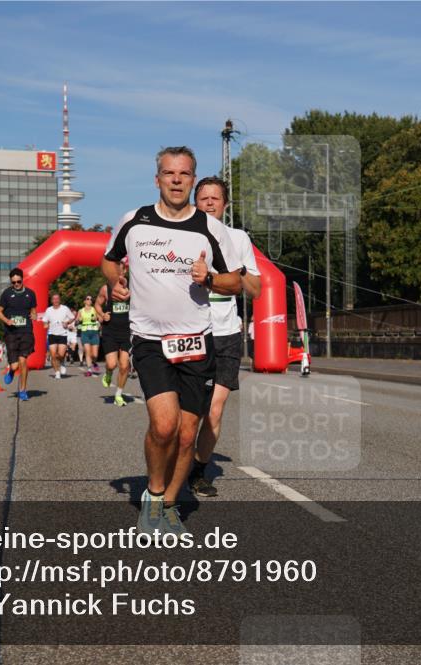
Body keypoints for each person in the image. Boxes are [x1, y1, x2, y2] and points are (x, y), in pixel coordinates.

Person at [102, 146, 242, 535]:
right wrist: (115, 282)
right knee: (163, 426)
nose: (177, 180)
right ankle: (153, 493)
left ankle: (168, 505)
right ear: (157, 179)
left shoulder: (211, 229)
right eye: (169, 173)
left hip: (197, 342)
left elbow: (235, 281)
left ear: (193, 179)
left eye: (184, 174)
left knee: (186, 434)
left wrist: (209, 279)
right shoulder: (134, 221)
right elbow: (109, 258)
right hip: (149, 339)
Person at [190, 176, 261, 497]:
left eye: (215, 198)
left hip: (226, 334)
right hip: (191, 332)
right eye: (203, 198)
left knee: (215, 411)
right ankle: (176, 462)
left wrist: (237, 270)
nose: (209, 203)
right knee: (186, 414)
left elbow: (256, 290)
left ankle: (199, 472)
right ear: (195, 203)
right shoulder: (184, 236)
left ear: (225, 205)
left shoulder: (238, 238)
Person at [0, 267, 37, 401]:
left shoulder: (30, 294)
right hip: (11, 332)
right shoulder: (7, 294)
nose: (16, 284)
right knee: (15, 365)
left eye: (18, 282)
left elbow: (33, 310)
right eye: (13, 282)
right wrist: (7, 320)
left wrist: (34, 315)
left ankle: (23, 390)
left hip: (26, 331)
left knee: (23, 361)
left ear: (22, 279)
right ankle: (12, 370)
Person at [97, 262, 132, 405]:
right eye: (116, 271)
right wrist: (102, 315)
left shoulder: (133, 288)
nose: (119, 274)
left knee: (124, 366)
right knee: (112, 364)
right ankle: (108, 373)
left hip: (127, 331)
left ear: (125, 271)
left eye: (121, 270)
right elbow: (97, 305)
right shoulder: (106, 289)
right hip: (110, 331)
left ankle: (119, 394)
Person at [41, 293, 74, 380]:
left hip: (62, 334)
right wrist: (45, 325)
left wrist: (67, 322)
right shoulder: (49, 310)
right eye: (54, 299)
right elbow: (45, 320)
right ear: (51, 301)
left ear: (59, 300)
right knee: (53, 355)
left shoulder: (65, 308)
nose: (55, 300)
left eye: (57, 299)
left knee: (61, 355)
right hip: (52, 334)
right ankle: (57, 372)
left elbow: (72, 317)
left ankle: (62, 362)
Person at [75, 294, 102, 377]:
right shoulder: (81, 311)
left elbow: (100, 319)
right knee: (87, 351)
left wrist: (97, 319)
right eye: (88, 299)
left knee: (95, 355)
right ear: (84, 301)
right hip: (85, 333)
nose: (90, 300)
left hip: (94, 333)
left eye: (91, 299)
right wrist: (79, 320)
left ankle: (94, 362)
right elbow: (76, 322)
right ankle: (89, 370)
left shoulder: (94, 309)